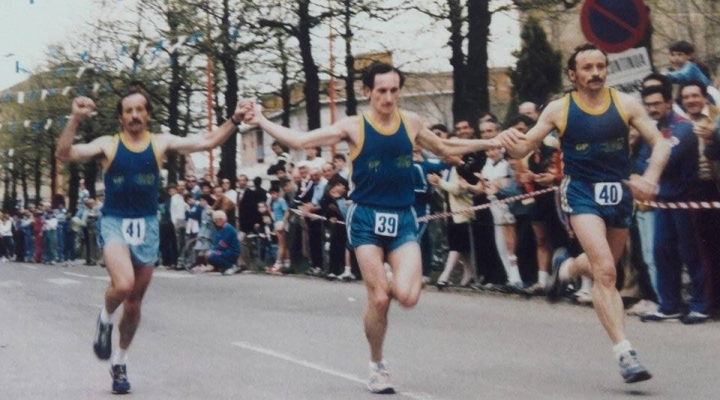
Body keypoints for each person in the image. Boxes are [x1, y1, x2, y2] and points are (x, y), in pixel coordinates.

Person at [242, 62, 499, 394]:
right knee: (379, 299)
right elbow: (300, 138)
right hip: (365, 217)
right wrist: (261, 119)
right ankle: (377, 364)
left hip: (403, 218)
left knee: (407, 297)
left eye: (394, 90)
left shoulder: (412, 123)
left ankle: (389, 280)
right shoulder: (354, 127)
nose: (389, 98)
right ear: (367, 92)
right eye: (382, 91)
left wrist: (488, 143)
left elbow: (447, 149)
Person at [55, 83, 248, 394]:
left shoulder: (160, 143)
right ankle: (104, 318)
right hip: (115, 222)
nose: (134, 115)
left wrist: (235, 119)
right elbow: (64, 154)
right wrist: (74, 119)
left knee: (133, 304)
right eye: (128, 111)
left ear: (147, 114)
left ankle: (119, 363)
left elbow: (207, 141)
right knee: (123, 284)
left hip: (147, 225)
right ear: (120, 117)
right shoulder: (109, 144)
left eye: (139, 110)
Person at [497, 43, 670, 384]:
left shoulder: (625, 103)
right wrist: (507, 141)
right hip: (581, 192)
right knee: (605, 271)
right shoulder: (559, 110)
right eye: (587, 68)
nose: (595, 73)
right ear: (573, 75)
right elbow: (524, 146)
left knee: (605, 269)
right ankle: (625, 353)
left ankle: (567, 267)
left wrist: (650, 176)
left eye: (600, 66)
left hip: (618, 193)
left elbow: (660, 142)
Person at [635, 84, 709, 324]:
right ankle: (670, 305)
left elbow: (667, 159)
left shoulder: (684, 127)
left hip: (686, 199)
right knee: (662, 251)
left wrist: (651, 164)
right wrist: (650, 164)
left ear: (668, 102)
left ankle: (702, 304)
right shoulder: (654, 131)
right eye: (648, 104)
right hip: (663, 201)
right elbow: (639, 163)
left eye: (657, 103)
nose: (652, 108)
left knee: (693, 253)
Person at [196, 210, 241, 275]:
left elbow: (222, 244)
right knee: (208, 255)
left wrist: (212, 251)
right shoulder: (220, 229)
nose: (217, 221)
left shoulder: (228, 228)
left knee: (212, 256)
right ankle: (220, 267)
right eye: (215, 220)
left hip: (231, 251)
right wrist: (211, 250)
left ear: (223, 219)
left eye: (219, 219)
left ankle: (231, 266)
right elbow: (216, 243)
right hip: (225, 250)